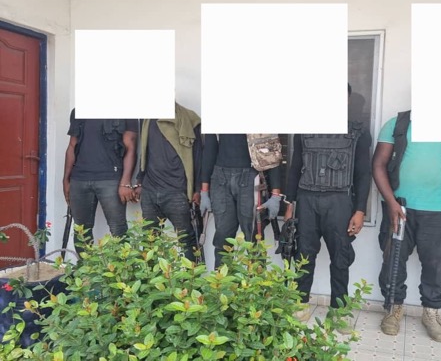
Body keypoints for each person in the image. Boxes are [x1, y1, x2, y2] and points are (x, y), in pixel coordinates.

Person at [372, 110, 441, 342]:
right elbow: (378, 164)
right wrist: (391, 202)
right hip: (400, 207)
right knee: (393, 259)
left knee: (436, 263)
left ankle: (431, 312)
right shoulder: (397, 124)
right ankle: (393, 309)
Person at [284, 83, 372, 334]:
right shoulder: (304, 130)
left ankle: (339, 312)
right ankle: (300, 305)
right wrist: (289, 204)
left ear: (347, 100)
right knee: (303, 254)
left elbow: (363, 173)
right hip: (307, 199)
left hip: (340, 201)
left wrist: (360, 210)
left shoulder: (358, 132)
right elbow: (294, 168)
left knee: (341, 257)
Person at [200, 134, 282, 268]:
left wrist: (276, 194)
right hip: (220, 178)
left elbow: (272, 152)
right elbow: (210, 149)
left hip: (251, 177)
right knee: (222, 238)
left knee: (254, 239)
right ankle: (222, 280)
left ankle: (256, 281)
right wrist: (204, 190)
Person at [133, 102, 202, 261]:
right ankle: (151, 277)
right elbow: (144, 151)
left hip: (177, 192)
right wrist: (140, 180)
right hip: (150, 190)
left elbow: (198, 157)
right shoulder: (147, 118)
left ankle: (190, 277)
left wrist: (197, 189)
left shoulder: (189, 118)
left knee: (186, 241)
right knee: (150, 241)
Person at [62, 109, 138, 254]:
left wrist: (125, 181)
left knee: (118, 230)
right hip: (79, 178)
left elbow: (131, 147)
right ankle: (86, 267)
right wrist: (66, 179)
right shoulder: (78, 110)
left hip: (111, 179)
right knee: (81, 231)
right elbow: (72, 145)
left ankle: (122, 268)